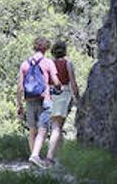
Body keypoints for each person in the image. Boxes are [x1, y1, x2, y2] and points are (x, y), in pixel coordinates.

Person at [17, 36, 59, 168]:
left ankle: (34, 159)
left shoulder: (24, 64)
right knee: (42, 130)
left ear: (34, 47)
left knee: (32, 130)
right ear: (46, 48)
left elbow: (19, 88)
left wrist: (19, 105)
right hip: (44, 100)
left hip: (29, 101)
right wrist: (57, 86)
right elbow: (55, 81)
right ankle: (35, 155)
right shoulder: (48, 63)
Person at [45, 40, 81, 166]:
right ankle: (49, 157)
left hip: (50, 94)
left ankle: (59, 157)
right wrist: (78, 98)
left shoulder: (49, 64)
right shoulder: (67, 63)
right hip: (63, 94)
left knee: (56, 127)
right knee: (56, 127)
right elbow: (73, 82)